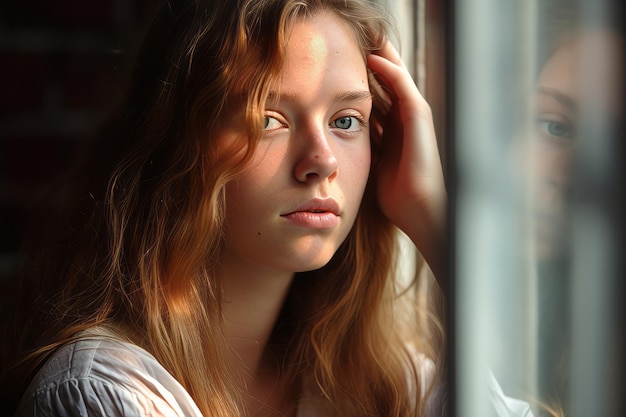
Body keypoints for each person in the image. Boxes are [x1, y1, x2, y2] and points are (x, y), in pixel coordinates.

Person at [8, 0, 447, 416]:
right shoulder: (102, 394)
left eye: (345, 120)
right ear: (178, 145)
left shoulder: (380, 380)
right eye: (267, 119)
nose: (323, 161)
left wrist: (431, 215)